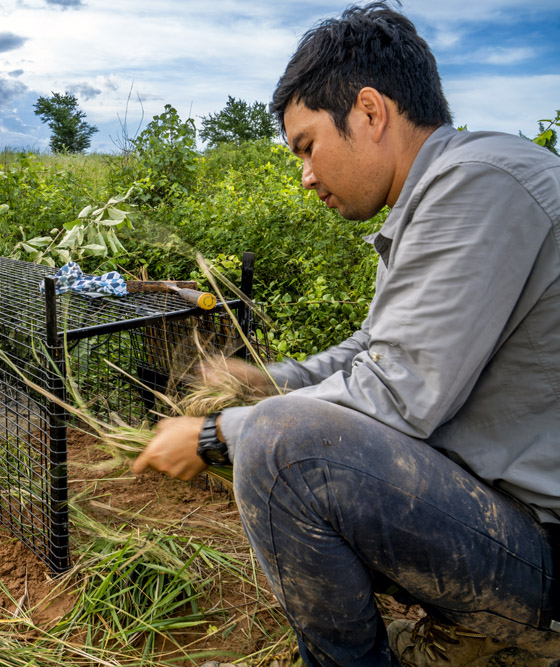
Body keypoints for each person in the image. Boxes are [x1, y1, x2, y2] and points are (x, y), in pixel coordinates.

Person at [132, 3, 560, 665]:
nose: (305, 175)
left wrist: (219, 434)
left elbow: (395, 391)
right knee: (278, 417)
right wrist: (269, 380)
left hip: (539, 554)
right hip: (500, 525)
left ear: (369, 111)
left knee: (280, 446)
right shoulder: (439, 194)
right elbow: (373, 348)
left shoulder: (480, 182)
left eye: (307, 146)